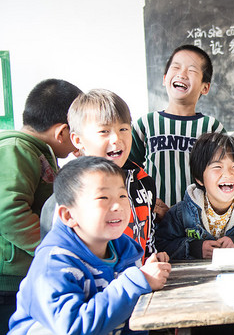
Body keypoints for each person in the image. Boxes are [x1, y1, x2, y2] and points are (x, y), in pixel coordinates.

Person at [8, 156, 171, 334]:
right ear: (68, 215)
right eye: (103, 197)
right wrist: (136, 282)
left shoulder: (126, 250)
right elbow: (73, 327)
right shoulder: (53, 264)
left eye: (122, 195)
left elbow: (134, 321)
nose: (117, 206)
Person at [40, 89, 166, 261]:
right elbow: (56, 260)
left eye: (123, 129)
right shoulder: (69, 193)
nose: (116, 138)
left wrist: (154, 258)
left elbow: (148, 239)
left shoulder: (143, 182)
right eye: (104, 131)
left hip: (143, 284)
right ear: (77, 140)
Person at [0, 78, 82, 332]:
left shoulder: (38, 151)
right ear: (61, 132)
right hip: (9, 280)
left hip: (22, 274)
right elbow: (8, 212)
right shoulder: (16, 149)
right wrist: (52, 247)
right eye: (77, 131)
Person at [129, 44, 226, 208]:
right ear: (165, 78)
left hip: (196, 220)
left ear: (205, 87)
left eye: (192, 70)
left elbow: (223, 175)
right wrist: (148, 202)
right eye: (176, 67)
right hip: (153, 219)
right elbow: (129, 171)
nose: (182, 74)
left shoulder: (211, 127)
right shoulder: (145, 124)